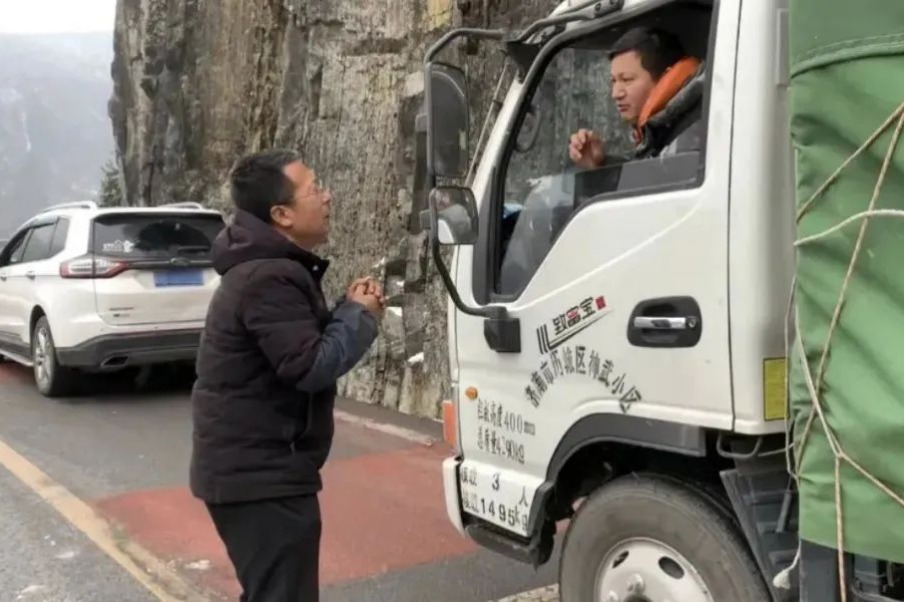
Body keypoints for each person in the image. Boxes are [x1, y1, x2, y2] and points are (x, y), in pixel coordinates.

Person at [189, 149, 383, 601]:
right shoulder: (268, 277)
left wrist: (346, 312)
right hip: (260, 480)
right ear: (282, 215)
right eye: (315, 189)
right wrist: (361, 316)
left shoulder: (268, 270)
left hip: (255, 474)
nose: (328, 196)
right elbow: (311, 366)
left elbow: (294, 349)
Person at [569, 26, 705, 166]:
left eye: (627, 79)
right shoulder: (662, 134)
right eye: (614, 81)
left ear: (665, 77)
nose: (615, 94)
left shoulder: (692, 133)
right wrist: (600, 163)